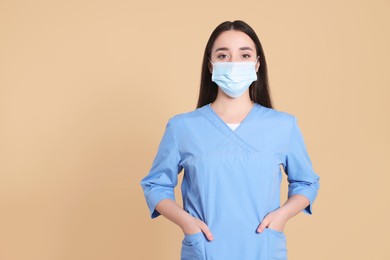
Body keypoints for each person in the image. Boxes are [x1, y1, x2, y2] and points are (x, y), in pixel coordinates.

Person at [140, 20, 320, 260]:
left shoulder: (283, 126)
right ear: (211, 65)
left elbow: (306, 183)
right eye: (223, 55)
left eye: (244, 55)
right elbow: (155, 185)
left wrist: (282, 216)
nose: (234, 63)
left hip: (262, 248)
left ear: (257, 64)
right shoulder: (182, 127)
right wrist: (187, 223)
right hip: (205, 249)